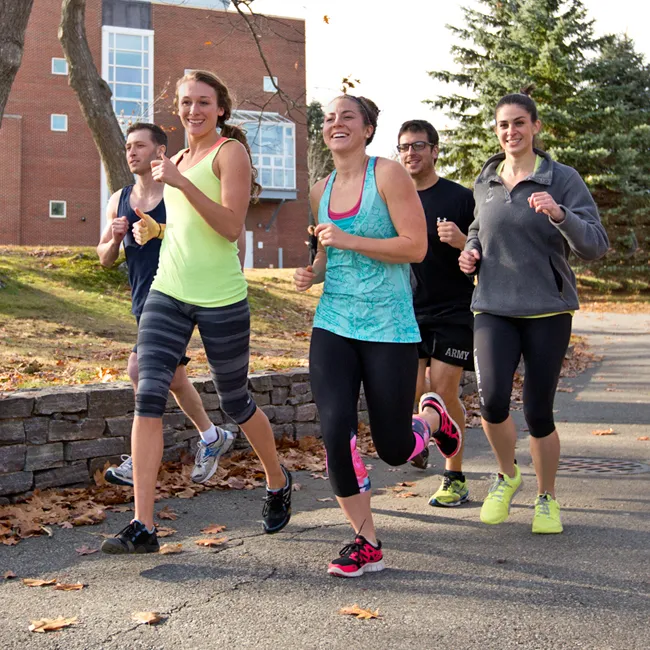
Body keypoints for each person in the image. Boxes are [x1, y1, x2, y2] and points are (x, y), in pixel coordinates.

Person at [101, 70, 291, 555]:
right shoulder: (177, 158)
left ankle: (276, 477)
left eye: (203, 102)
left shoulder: (230, 153)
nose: (193, 110)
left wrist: (182, 183)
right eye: (186, 102)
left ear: (220, 108)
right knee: (147, 390)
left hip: (221, 295)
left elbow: (228, 227)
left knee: (235, 401)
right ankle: (143, 525)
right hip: (169, 290)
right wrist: (155, 232)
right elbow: (186, 230)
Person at [294, 95, 461, 577]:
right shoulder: (320, 188)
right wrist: (314, 272)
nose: (335, 123)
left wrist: (348, 239)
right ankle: (365, 541)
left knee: (392, 447)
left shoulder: (388, 175)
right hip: (334, 324)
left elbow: (415, 246)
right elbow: (329, 255)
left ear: (367, 129)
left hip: (388, 326)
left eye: (347, 116)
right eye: (329, 118)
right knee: (335, 434)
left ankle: (431, 421)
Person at [459, 90, 609, 534]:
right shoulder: (485, 179)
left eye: (520, 123)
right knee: (491, 402)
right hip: (492, 307)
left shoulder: (561, 178)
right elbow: (477, 228)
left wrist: (561, 215)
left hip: (547, 310)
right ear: (496, 130)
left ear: (535, 127)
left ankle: (547, 497)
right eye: (504, 124)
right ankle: (506, 475)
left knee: (539, 411)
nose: (511, 132)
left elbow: (595, 244)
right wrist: (470, 250)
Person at [97, 122, 238, 488]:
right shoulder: (119, 198)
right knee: (172, 377)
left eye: (140, 146)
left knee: (138, 368)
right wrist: (113, 240)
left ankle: (141, 461)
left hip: (180, 293)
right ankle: (211, 437)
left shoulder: (174, 191)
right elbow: (104, 259)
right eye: (128, 146)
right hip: (145, 296)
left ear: (160, 152)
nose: (131, 152)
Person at [397, 119, 475, 507]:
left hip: (453, 310)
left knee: (443, 392)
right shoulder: (393, 199)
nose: (411, 153)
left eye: (419, 145)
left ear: (435, 150)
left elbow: (484, 256)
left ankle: (454, 475)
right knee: (410, 392)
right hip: (405, 311)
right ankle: (421, 435)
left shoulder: (461, 198)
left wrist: (462, 242)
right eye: (405, 147)